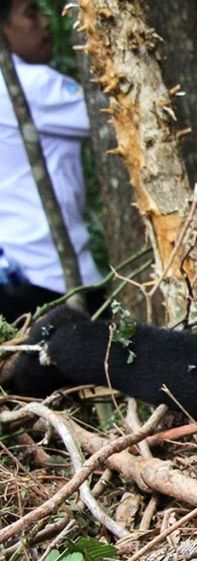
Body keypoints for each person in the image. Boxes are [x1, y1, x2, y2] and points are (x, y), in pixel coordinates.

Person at [0, 0, 102, 322]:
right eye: (31, 13)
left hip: (14, 266)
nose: (45, 22)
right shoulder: (31, 84)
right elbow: (114, 114)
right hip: (49, 273)